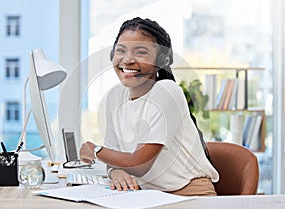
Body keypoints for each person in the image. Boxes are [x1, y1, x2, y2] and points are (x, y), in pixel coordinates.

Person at [79, 17, 219, 196]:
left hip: (190, 195)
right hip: (147, 196)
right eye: (121, 50)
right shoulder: (115, 96)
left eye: (140, 52)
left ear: (161, 60)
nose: (127, 60)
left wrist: (94, 150)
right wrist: (117, 173)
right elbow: (114, 157)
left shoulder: (167, 91)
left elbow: (139, 164)